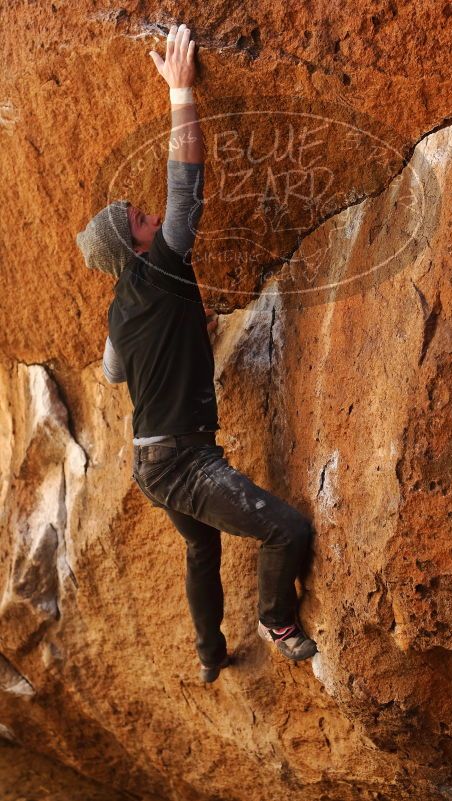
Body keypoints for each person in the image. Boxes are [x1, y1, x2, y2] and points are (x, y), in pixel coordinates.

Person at [76, 22, 317, 684]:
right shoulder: (158, 269)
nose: (153, 216)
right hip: (181, 463)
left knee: (199, 549)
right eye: (141, 221)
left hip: (150, 462)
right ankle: (276, 619)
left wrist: (184, 331)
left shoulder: (123, 308)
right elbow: (188, 189)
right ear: (138, 248)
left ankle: (211, 655)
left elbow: (111, 370)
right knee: (287, 530)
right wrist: (181, 92)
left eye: (142, 210)